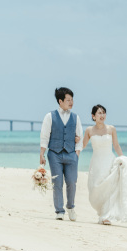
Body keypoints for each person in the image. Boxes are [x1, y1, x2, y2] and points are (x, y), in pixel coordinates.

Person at [82, 105, 127, 225]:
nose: (102, 115)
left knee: (110, 189)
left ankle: (106, 216)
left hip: (110, 162)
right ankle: (101, 213)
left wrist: (122, 159)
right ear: (93, 116)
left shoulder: (111, 129)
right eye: (99, 113)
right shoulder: (89, 130)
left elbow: (116, 146)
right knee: (95, 190)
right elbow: (82, 146)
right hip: (96, 164)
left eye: (104, 113)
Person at [40, 87, 83, 221]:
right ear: (60, 101)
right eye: (68, 100)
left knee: (72, 182)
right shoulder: (50, 116)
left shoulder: (76, 117)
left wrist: (77, 153)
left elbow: (79, 136)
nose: (71, 102)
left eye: (72, 99)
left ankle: (70, 207)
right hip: (55, 154)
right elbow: (45, 135)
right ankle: (59, 211)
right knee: (57, 182)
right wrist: (42, 153)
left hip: (71, 154)